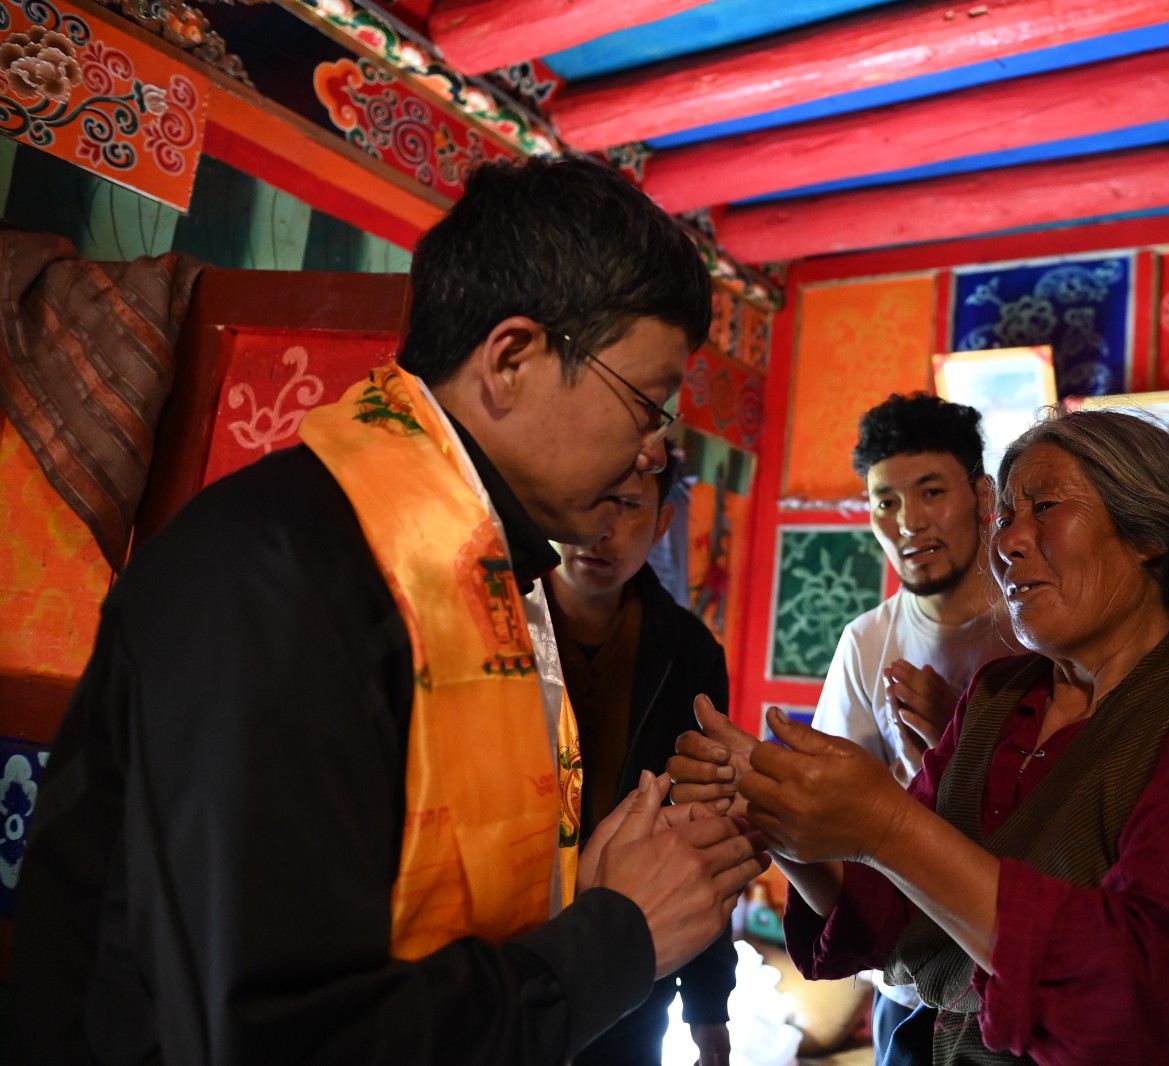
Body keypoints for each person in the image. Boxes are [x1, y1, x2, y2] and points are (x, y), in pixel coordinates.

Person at [8, 157, 767, 1064]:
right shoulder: (283, 574)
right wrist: (613, 937)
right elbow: (285, 1037)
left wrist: (587, 896)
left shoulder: (493, 576)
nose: (650, 452)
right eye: (646, 405)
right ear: (512, 361)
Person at [673, 409, 1169, 1066]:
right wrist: (773, 807)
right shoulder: (998, 697)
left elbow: (1144, 991)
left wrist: (885, 825)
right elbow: (895, 913)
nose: (1006, 542)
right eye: (1004, 518)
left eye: (1044, 507)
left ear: (1148, 532)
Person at [812, 392, 1017, 1060]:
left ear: (983, 496)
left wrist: (964, 740)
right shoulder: (867, 642)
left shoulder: (1034, 627)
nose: (908, 522)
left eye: (931, 492)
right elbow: (832, 815)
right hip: (907, 986)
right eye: (886, 502)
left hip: (1018, 969)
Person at [544, 450, 737, 1066]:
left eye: (628, 505)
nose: (602, 528)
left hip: (634, 966)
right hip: (508, 951)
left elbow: (705, 819)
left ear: (661, 523)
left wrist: (708, 1001)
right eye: (587, 496)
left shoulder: (688, 652)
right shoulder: (496, 623)